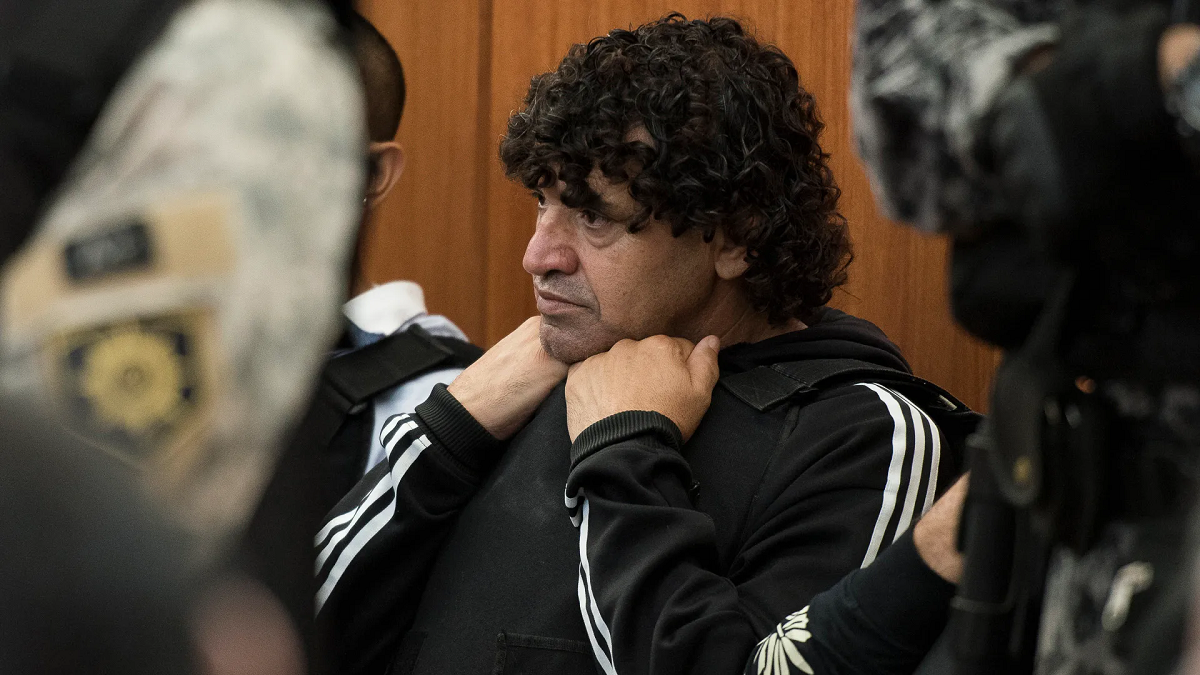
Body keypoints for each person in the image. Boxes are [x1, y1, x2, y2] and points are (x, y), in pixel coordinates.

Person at [315, 14, 968, 675]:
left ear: (736, 236)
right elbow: (298, 637)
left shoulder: (865, 435)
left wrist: (624, 453)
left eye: (593, 215)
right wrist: (451, 432)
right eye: (542, 202)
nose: (537, 256)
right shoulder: (530, 381)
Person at [743, 1, 1200, 674]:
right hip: (1119, 516)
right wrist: (1147, 77)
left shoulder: (856, 428)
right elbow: (911, 108)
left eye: (598, 219)